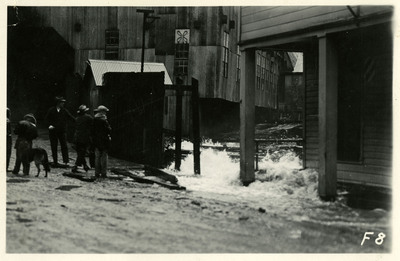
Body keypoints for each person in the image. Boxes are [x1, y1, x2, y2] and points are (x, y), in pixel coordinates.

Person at [45, 96, 75, 167]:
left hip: (62, 131)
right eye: (62, 103)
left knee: (64, 146)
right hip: (53, 131)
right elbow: (46, 119)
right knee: (54, 146)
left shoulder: (64, 111)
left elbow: (71, 118)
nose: (63, 104)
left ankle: (66, 161)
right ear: (58, 103)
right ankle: (55, 161)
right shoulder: (51, 110)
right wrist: (49, 125)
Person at [72, 105, 93, 173]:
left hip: (77, 137)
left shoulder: (77, 118)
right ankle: (76, 165)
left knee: (80, 152)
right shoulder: (88, 117)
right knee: (82, 152)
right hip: (84, 137)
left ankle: (85, 166)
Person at [92, 105, 111, 179]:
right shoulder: (104, 120)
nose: (106, 113)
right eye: (105, 111)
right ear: (102, 112)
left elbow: (92, 131)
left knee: (97, 157)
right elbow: (108, 130)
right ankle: (103, 173)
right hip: (104, 141)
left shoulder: (94, 119)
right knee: (104, 158)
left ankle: (97, 173)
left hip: (96, 141)